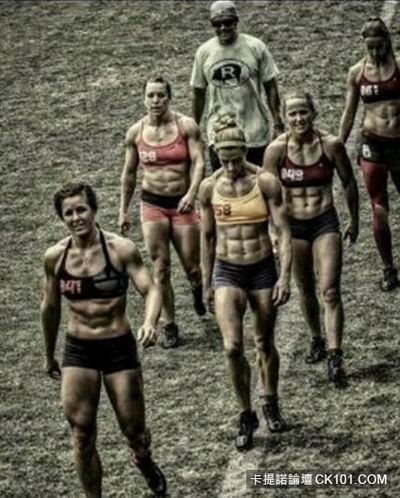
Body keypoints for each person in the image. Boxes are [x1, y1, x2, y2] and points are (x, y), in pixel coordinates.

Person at [41, 182, 167, 497]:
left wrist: (150, 322)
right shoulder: (55, 257)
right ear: (62, 218)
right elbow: (51, 308)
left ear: (94, 210)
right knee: (82, 435)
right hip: (79, 349)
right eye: (68, 213)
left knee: (134, 431)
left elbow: (151, 289)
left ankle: (143, 458)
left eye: (81, 210)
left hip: (117, 347)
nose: (76, 218)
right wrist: (49, 354)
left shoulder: (120, 249)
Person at [199, 115, 291, 452]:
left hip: (262, 268)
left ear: (244, 152)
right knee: (232, 347)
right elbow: (207, 237)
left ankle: (270, 400)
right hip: (228, 270)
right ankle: (245, 413)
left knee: (264, 342)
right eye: (224, 161)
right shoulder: (209, 187)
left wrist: (284, 275)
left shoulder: (265, 182)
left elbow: (283, 231)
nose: (231, 167)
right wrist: (206, 283)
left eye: (236, 160)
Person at [264, 90, 359, 388]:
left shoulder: (330, 145)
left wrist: (354, 219)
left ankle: (335, 355)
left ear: (313, 113)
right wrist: (272, 231)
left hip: (323, 222)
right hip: (293, 227)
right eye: (292, 113)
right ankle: (316, 337)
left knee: (329, 290)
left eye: (303, 112)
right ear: (284, 117)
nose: (298, 118)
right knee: (305, 288)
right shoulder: (276, 151)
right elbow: (267, 195)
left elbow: (348, 182)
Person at [119, 75, 206, 349]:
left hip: (182, 204)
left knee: (193, 267)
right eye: (151, 95)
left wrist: (192, 194)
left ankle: (197, 289)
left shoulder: (185, 126)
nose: (155, 100)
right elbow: (129, 174)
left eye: (160, 95)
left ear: (169, 97)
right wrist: (123, 211)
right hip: (153, 205)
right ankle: (170, 324)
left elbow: (199, 162)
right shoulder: (135, 133)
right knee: (161, 267)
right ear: (144, 99)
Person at [339, 16, 400, 291]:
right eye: (370, 47)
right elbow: (349, 112)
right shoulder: (357, 72)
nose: (375, 52)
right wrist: (338, 145)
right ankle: (388, 268)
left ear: (387, 41)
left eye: (379, 46)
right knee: (379, 207)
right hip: (372, 144)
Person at [190, 0, 284, 172]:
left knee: (257, 180)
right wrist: (194, 129)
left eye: (227, 22)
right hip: (220, 131)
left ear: (236, 21)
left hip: (254, 132)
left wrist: (278, 123)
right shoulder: (204, 52)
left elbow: (271, 86)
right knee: (224, 182)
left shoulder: (255, 46)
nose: (223, 28)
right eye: (217, 24)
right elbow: (198, 92)